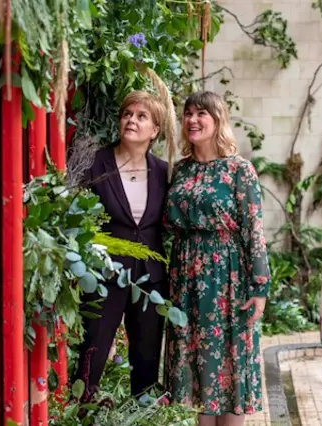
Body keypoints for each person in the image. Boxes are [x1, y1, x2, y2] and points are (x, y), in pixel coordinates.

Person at [163, 91, 271, 426]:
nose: (193, 120)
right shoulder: (179, 170)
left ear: (217, 119)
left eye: (201, 114)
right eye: (188, 114)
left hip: (227, 278)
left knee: (228, 363)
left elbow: (254, 228)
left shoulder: (240, 170)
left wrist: (260, 287)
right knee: (198, 367)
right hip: (186, 277)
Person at [74, 90, 171, 400]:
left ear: (155, 130)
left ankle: (143, 412)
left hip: (150, 277)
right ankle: (83, 410)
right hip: (104, 274)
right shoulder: (95, 162)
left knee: (146, 358)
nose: (132, 120)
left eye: (142, 116)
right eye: (128, 114)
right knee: (93, 351)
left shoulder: (163, 171)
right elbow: (75, 212)